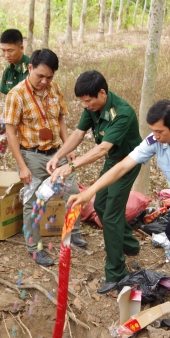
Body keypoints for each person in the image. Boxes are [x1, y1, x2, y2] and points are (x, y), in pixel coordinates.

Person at [68, 100, 170, 330]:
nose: (155, 135)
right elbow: (122, 166)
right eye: (152, 130)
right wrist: (90, 191)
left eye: (159, 131)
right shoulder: (156, 142)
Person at [46, 70, 142, 293]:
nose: (85, 105)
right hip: (112, 161)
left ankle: (116, 273)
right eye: (82, 101)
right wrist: (58, 156)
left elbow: (102, 149)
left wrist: (70, 166)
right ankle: (129, 244)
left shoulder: (122, 113)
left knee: (110, 215)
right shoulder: (93, 107)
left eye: (88, 101)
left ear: (102, 93)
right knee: (99, 205)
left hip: (127, 162)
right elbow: (78, 134)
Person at [3, 49, 86, 267]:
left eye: (49, 77)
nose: (44, 81)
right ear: (30, 68)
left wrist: (68, 148)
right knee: (34, 202)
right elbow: (11, 133)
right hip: (33, 154)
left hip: (56, 152)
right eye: (40, 76)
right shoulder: (16, 95)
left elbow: (60, 121)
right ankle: (35, 248)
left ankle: (73, 233)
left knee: (74, 192)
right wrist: (22, 166)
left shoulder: (54, 89)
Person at [0, 29, 30, 96]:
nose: (6, 55)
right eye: (3, 50)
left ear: (21, 48)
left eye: (10, 50)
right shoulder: (7, 71)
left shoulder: (31, 68)